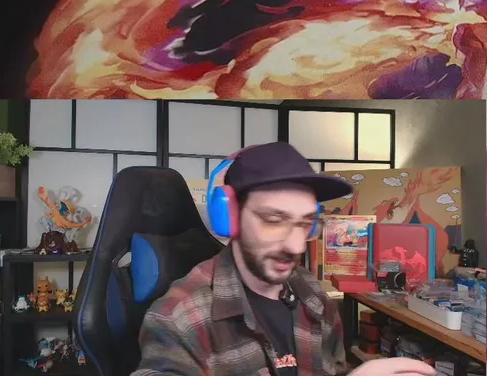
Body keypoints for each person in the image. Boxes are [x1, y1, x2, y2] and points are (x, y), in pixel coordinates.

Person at [133, 142, 435, 376]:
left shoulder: (313, 295)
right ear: (231, 217)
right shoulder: (178, 319)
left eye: (305, 223)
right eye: (274, 220)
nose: (295, 245)